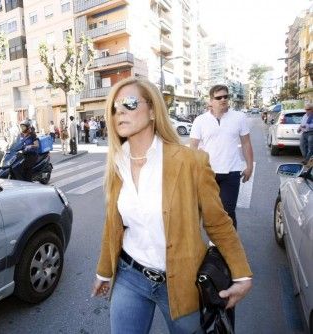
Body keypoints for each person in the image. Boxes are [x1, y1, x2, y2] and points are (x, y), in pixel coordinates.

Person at [91, 78, 252, 334]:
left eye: (129, 103)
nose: (119, 111)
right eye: (114, 107)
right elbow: (113, 225)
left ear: (153, 110)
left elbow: (217, 222)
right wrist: (105, 272)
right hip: (130, 276)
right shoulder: (117, 164)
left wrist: (242, 274)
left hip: (182, 281)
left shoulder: (190, 162)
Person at [189, 84, 254, 229]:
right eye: (219, 97)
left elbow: (246, 143)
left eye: (226, 96)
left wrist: (249, 166)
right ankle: (215, 245)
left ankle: (229, 249)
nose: (223, 99)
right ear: (211, 100)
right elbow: (193, 147)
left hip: (231, 172)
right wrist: (192, 171)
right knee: (210, 212)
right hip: (207, 173)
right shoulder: (200, 120)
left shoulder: (239, 117)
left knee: (227, 211)